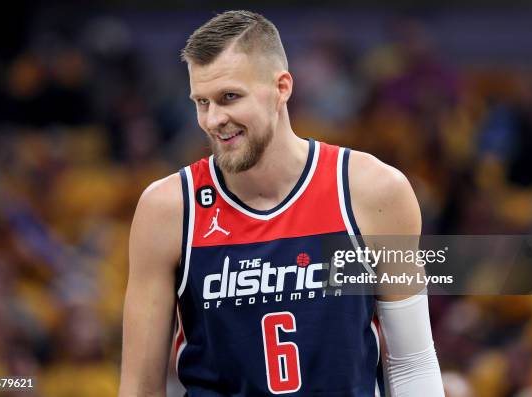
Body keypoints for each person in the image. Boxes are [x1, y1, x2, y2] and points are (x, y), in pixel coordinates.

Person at [119, 10, 444, 397]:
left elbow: (412, 362)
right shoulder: (168, 208)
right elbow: (140, 387)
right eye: (201, 102)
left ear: (282, 87)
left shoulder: (373, 191)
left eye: (229, 97)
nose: (213, 119)